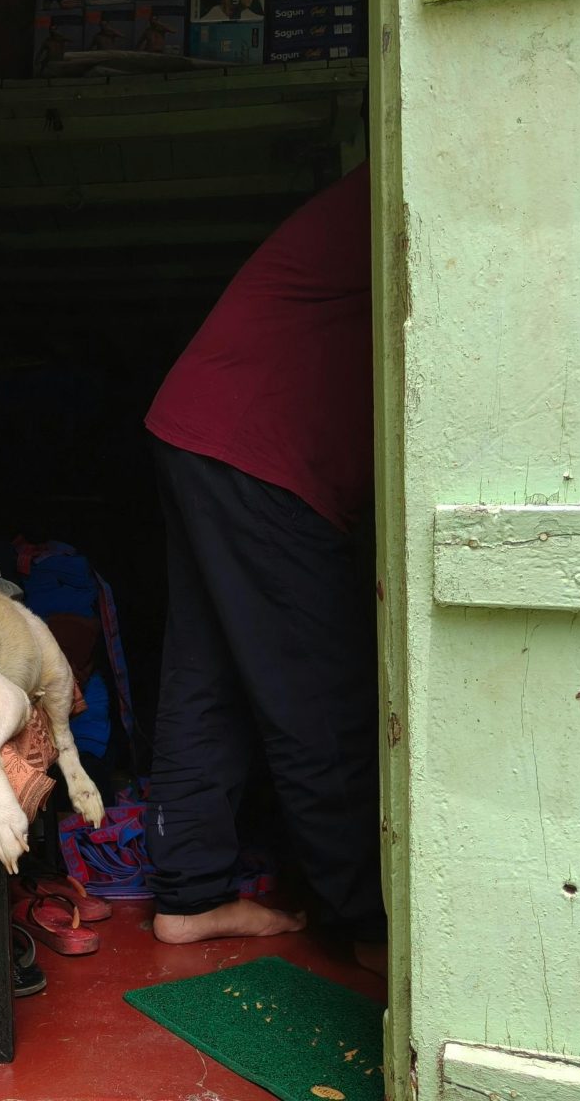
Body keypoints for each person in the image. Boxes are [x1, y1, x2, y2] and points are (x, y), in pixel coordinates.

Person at [142, 164, 383, 962]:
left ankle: (190, 895)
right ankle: (368, 922)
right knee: (319, 688)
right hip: (257, 450)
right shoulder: (425, 167)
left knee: (206, 676)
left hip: (207, 430)